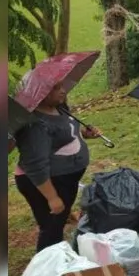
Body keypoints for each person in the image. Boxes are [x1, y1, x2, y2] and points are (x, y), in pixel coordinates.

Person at [14, 82, 101, 252]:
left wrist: (84, 135)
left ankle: (56, 256)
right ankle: (49, 267)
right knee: (51, 228)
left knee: (58, 223)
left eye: (62, 86)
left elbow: (62, 137)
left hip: (63, 180)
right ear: (40, 92)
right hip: (43, 184)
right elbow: (35, 164)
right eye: (55, 88)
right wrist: (52, 197)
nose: (63, 90)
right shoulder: (36, 125)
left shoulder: (59, 108)